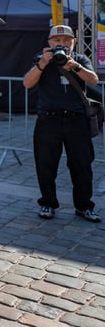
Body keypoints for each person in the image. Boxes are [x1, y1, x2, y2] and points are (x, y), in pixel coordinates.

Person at [22, 24, 100, 223]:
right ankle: (48, 203)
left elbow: (93, 80)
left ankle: (84, 206)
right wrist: (42, 63)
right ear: (49, 42)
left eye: (66, 40)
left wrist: (74, 66)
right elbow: (27, 83)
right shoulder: (41, 59)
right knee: (46, 164)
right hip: (49, 119)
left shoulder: (80, 59)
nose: (62, 44)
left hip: (76, 119)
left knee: (82, 165)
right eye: (57, 40)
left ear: (74, 42)